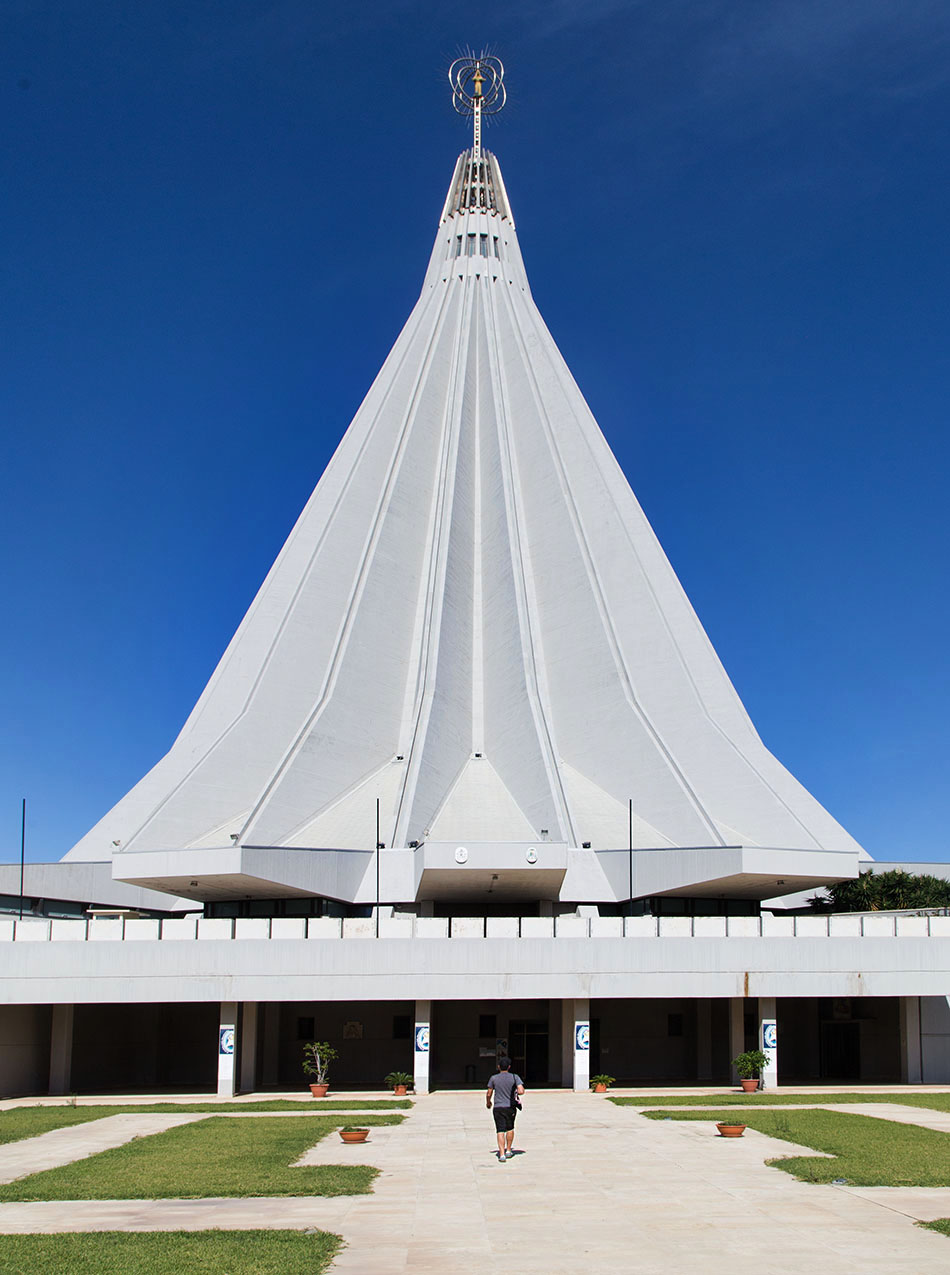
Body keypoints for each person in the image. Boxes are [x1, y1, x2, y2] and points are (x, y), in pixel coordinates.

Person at [486, 1056, 524, 1161]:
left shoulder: (493, 1078)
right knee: (510, 1128)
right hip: (510, 1107)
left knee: (500, 1130)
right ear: (509, 1067)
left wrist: (488, 1102)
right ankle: (508, 1150)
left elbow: (489, 1093)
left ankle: (501, 1154)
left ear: (498, 1067)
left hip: (498, 1107)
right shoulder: (514, 1077)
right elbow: (521, 1091)